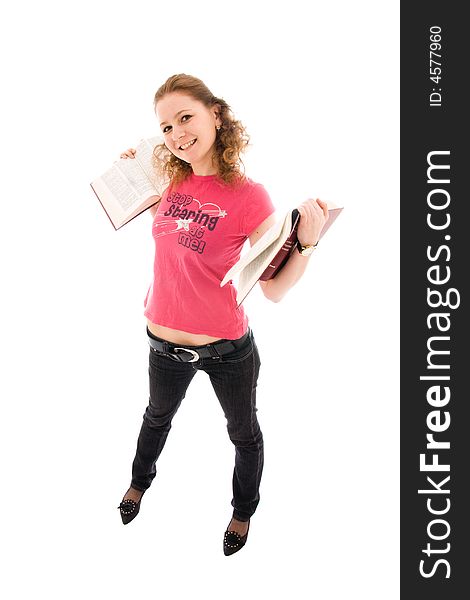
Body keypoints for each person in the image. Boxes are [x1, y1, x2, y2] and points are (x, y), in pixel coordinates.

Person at [116, 73, 329, 556]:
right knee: (156, 417)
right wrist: (133, 171)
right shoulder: (169, 180)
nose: (176, 134)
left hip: (226, 350)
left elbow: (272, 289)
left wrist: (309, 243)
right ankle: (137, 485)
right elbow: (155, 224)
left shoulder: (250, 197)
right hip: (162, 344)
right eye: (166, 127)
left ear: (216, 114)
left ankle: (242, 511)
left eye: (185, 117)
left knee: (243, 433)